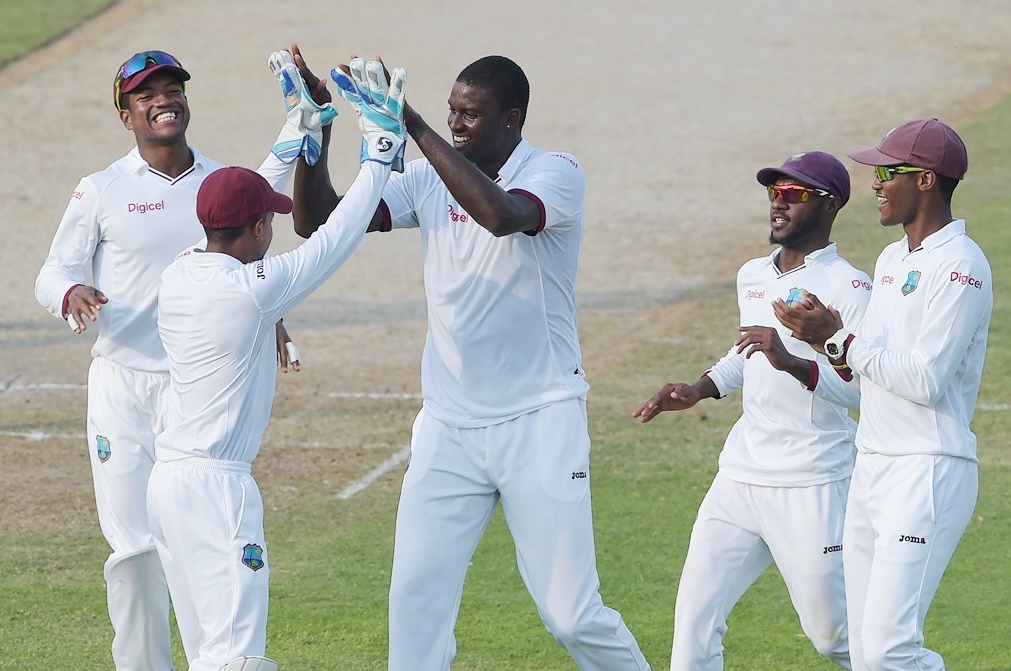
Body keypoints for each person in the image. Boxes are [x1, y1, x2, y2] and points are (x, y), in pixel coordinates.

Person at [290, 48, 652, 671]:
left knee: (572, 615)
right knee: (414, 599)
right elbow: (319, 221)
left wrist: (414, 125)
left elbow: (503, 217)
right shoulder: (431, 175)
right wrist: (316, 127)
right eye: (453, 112)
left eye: (470, 116)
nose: (457, 124)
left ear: (512, 119)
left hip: (539, 420)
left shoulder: (555, 171)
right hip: (449, 427)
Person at [33, 50, 301, 670]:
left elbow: (243, 261)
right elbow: (53, 273)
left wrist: (273, 316)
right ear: (126, 113)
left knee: (194, 549)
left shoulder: (218, 182)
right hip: (123, 388)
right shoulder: (101, 189)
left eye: (173, 88)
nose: (164, 101)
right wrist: (69, 293)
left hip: (194, 393)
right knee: (134, 551)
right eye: (147, 94)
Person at [149, 59, 404, 670]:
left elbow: (235, 198)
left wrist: (298, 131)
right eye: (268, 218)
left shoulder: (183, 267)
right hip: (219, 490)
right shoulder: (253, 289)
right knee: (235, 657)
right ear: (260, 227)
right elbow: (334, 240)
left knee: (211, 652)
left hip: (168, 486)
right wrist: (379, 154)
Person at [633, 151, 869, 670]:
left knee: (835, 638)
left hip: (811, 482)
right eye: (773, 193)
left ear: (829, 205)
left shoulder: (851, 288)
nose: (778, 205)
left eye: (793, 195)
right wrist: (701, 388)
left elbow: (861, 395)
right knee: (695, 616)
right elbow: (746, 355)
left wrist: (788, 360)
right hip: (740, 477)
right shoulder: (752, 276)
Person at [775, 119, 992, 671]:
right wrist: (822, 339)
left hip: (927, 470)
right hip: (871, 466)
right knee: (863, 650)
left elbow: (924, 380)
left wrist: (838, 337)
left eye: (887, 172)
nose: (873, 183)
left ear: (925, 181)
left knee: (891, 651)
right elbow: (868, 363)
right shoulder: (893, 260)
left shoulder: (961, 266)